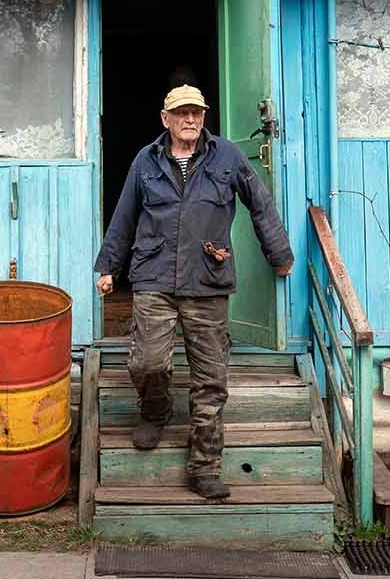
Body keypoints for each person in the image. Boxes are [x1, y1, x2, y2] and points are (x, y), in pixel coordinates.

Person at [94, 84, 294, 500]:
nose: (190, 120)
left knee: (210, 379)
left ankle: (204, 467)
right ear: (165, 118)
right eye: (182, 113)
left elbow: (260, 204)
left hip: (207, 277)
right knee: (147, 362)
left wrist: (279, 254)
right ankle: (155, 409)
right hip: (153, 275)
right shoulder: (145, 161)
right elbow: (125, 215)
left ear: (204, 117)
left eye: (197, 113)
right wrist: (108, 266)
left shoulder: (227, 157)